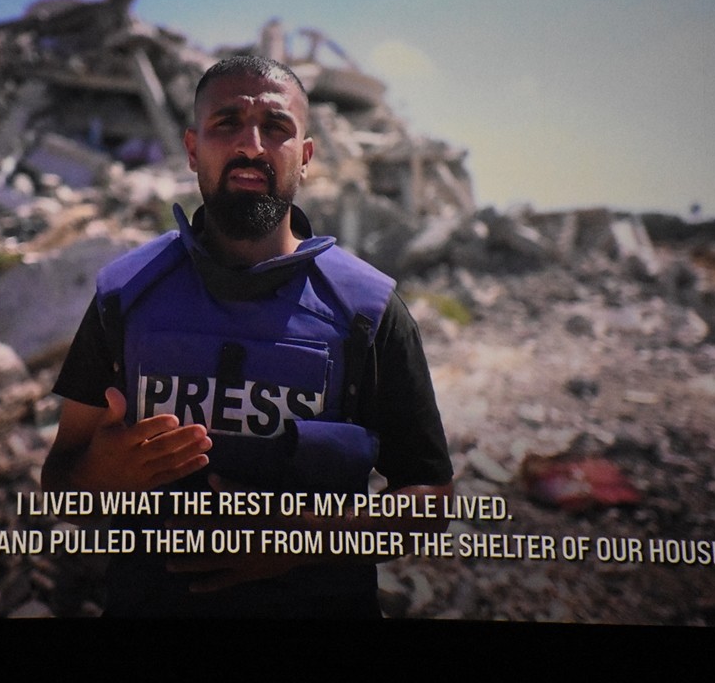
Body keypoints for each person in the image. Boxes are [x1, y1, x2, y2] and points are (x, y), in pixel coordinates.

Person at [42, 56, 453, 617]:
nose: (251, 146)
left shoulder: (368, 310)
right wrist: (103, 474)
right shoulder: (125, 296)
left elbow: (429, 501)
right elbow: (62, 483)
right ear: (192, 149)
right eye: (225, 123)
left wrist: (301, 537)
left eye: (276, 128)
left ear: (305, 156)